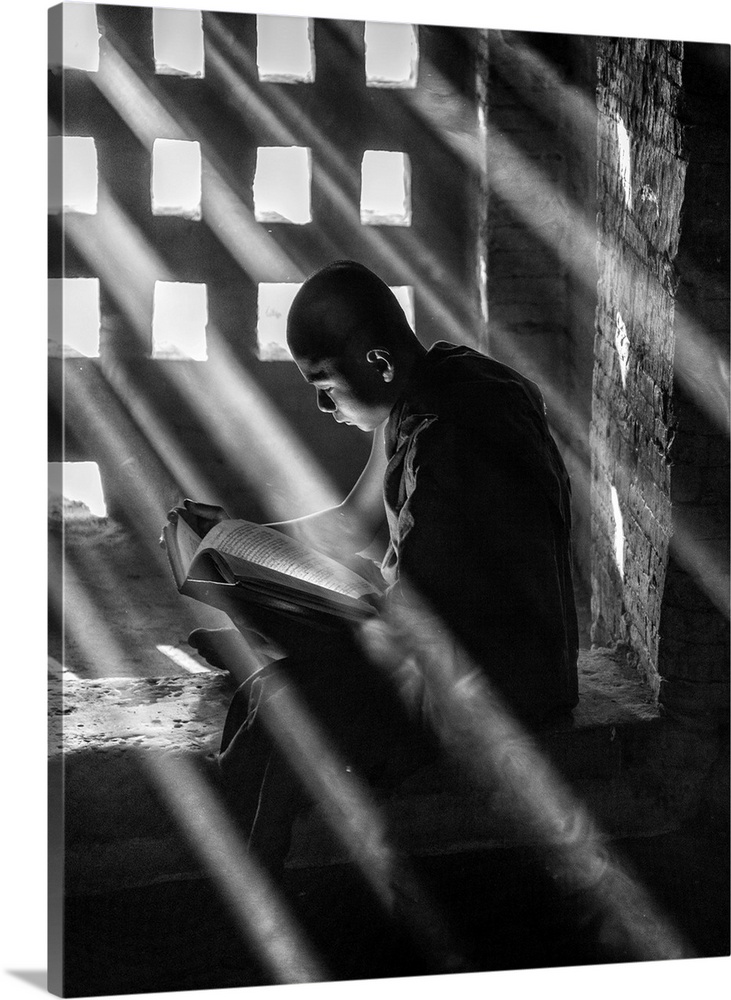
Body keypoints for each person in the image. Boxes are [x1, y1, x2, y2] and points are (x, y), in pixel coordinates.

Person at [169, 259, 579, 889]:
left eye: (326, 385)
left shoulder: (448, 440)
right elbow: (351, 524)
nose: (321, 404)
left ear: (379, 364)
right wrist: (235, 538)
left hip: (497, 680)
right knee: (283, 673)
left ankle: (255, 886)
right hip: (461, 641)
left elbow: (411, 625)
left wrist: (292, 623)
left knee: (286, 702)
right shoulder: (437, 382)